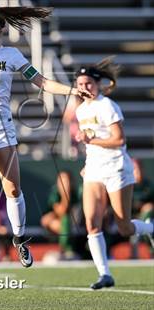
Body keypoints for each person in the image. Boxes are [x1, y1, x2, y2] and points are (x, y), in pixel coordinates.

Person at [0, 7, 92, 268]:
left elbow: (42, 82)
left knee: (13, 189)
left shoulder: (11, 55)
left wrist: (71, 90)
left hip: (2, 127)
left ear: (0, 32)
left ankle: (20, 238)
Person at [74, 57, 154, 289]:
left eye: (88, 83)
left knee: (124, 226)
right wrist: (88, 161)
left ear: (97, 84)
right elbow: (91, 143)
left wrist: (92, 140)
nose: (84, 88)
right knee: (92, 223)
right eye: (80, 84)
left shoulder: (107, 105)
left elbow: (119, 140)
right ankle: (104, 274)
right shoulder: (80, 110)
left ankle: (151, 228)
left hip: (116, 167)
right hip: (95, 170)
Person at [41, 171, 82, 259]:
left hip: (75, 224)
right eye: (61, 181)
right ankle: (65, 250)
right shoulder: (55, 193)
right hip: (55, 224)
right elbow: (61, 211)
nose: (64, 183)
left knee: (66, 220)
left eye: (66, 180)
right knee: (64, 221)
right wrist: (65, 194)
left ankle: (68, 250)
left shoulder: (77, 192)